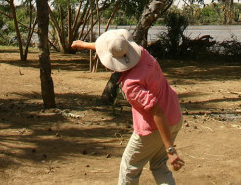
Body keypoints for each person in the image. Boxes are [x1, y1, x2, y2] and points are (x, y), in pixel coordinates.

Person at [72, 29, 184, 184]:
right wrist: (83, 45)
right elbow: (115, 48)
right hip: (174, 116)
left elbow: (157, 111)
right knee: (158, 165)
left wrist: (170, 150)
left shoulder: (131, 85)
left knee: (129, 167)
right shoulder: (142, 54)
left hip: (154, 127)